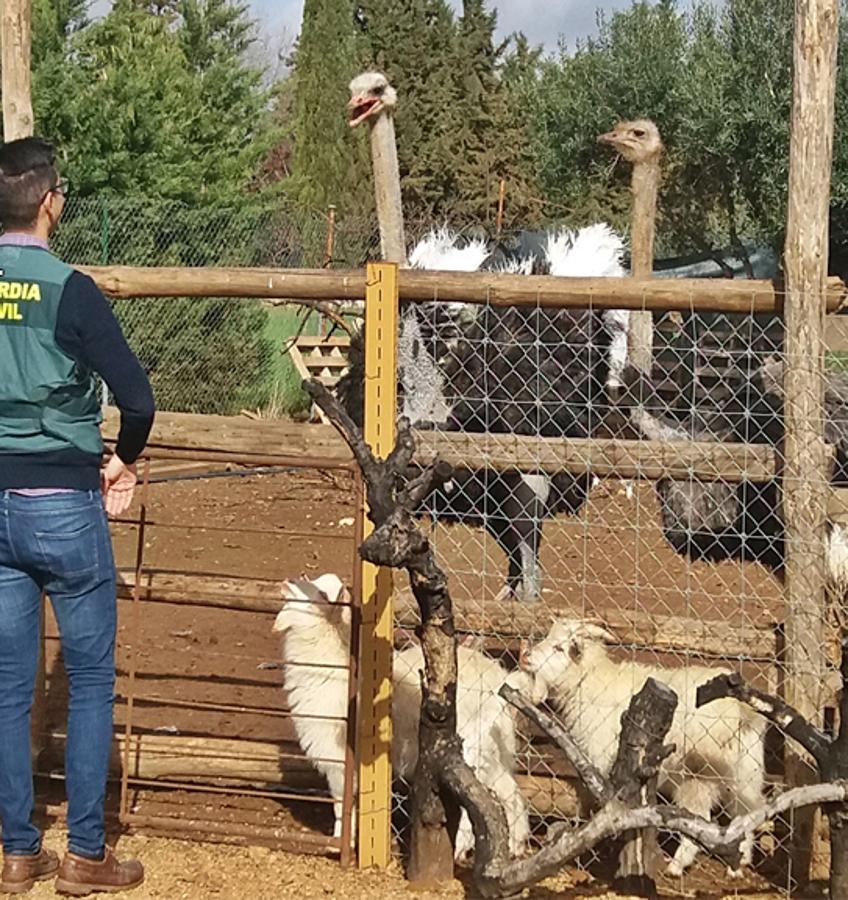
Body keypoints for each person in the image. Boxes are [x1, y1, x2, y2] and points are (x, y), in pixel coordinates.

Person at [0, 137, 154, 895]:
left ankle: (19, 850)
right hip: (63, 500)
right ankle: (85, 855)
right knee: (91, 679)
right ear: (51, 201)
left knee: (5, 685)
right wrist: (121, 460)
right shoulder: (71, 289)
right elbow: (139, 399)